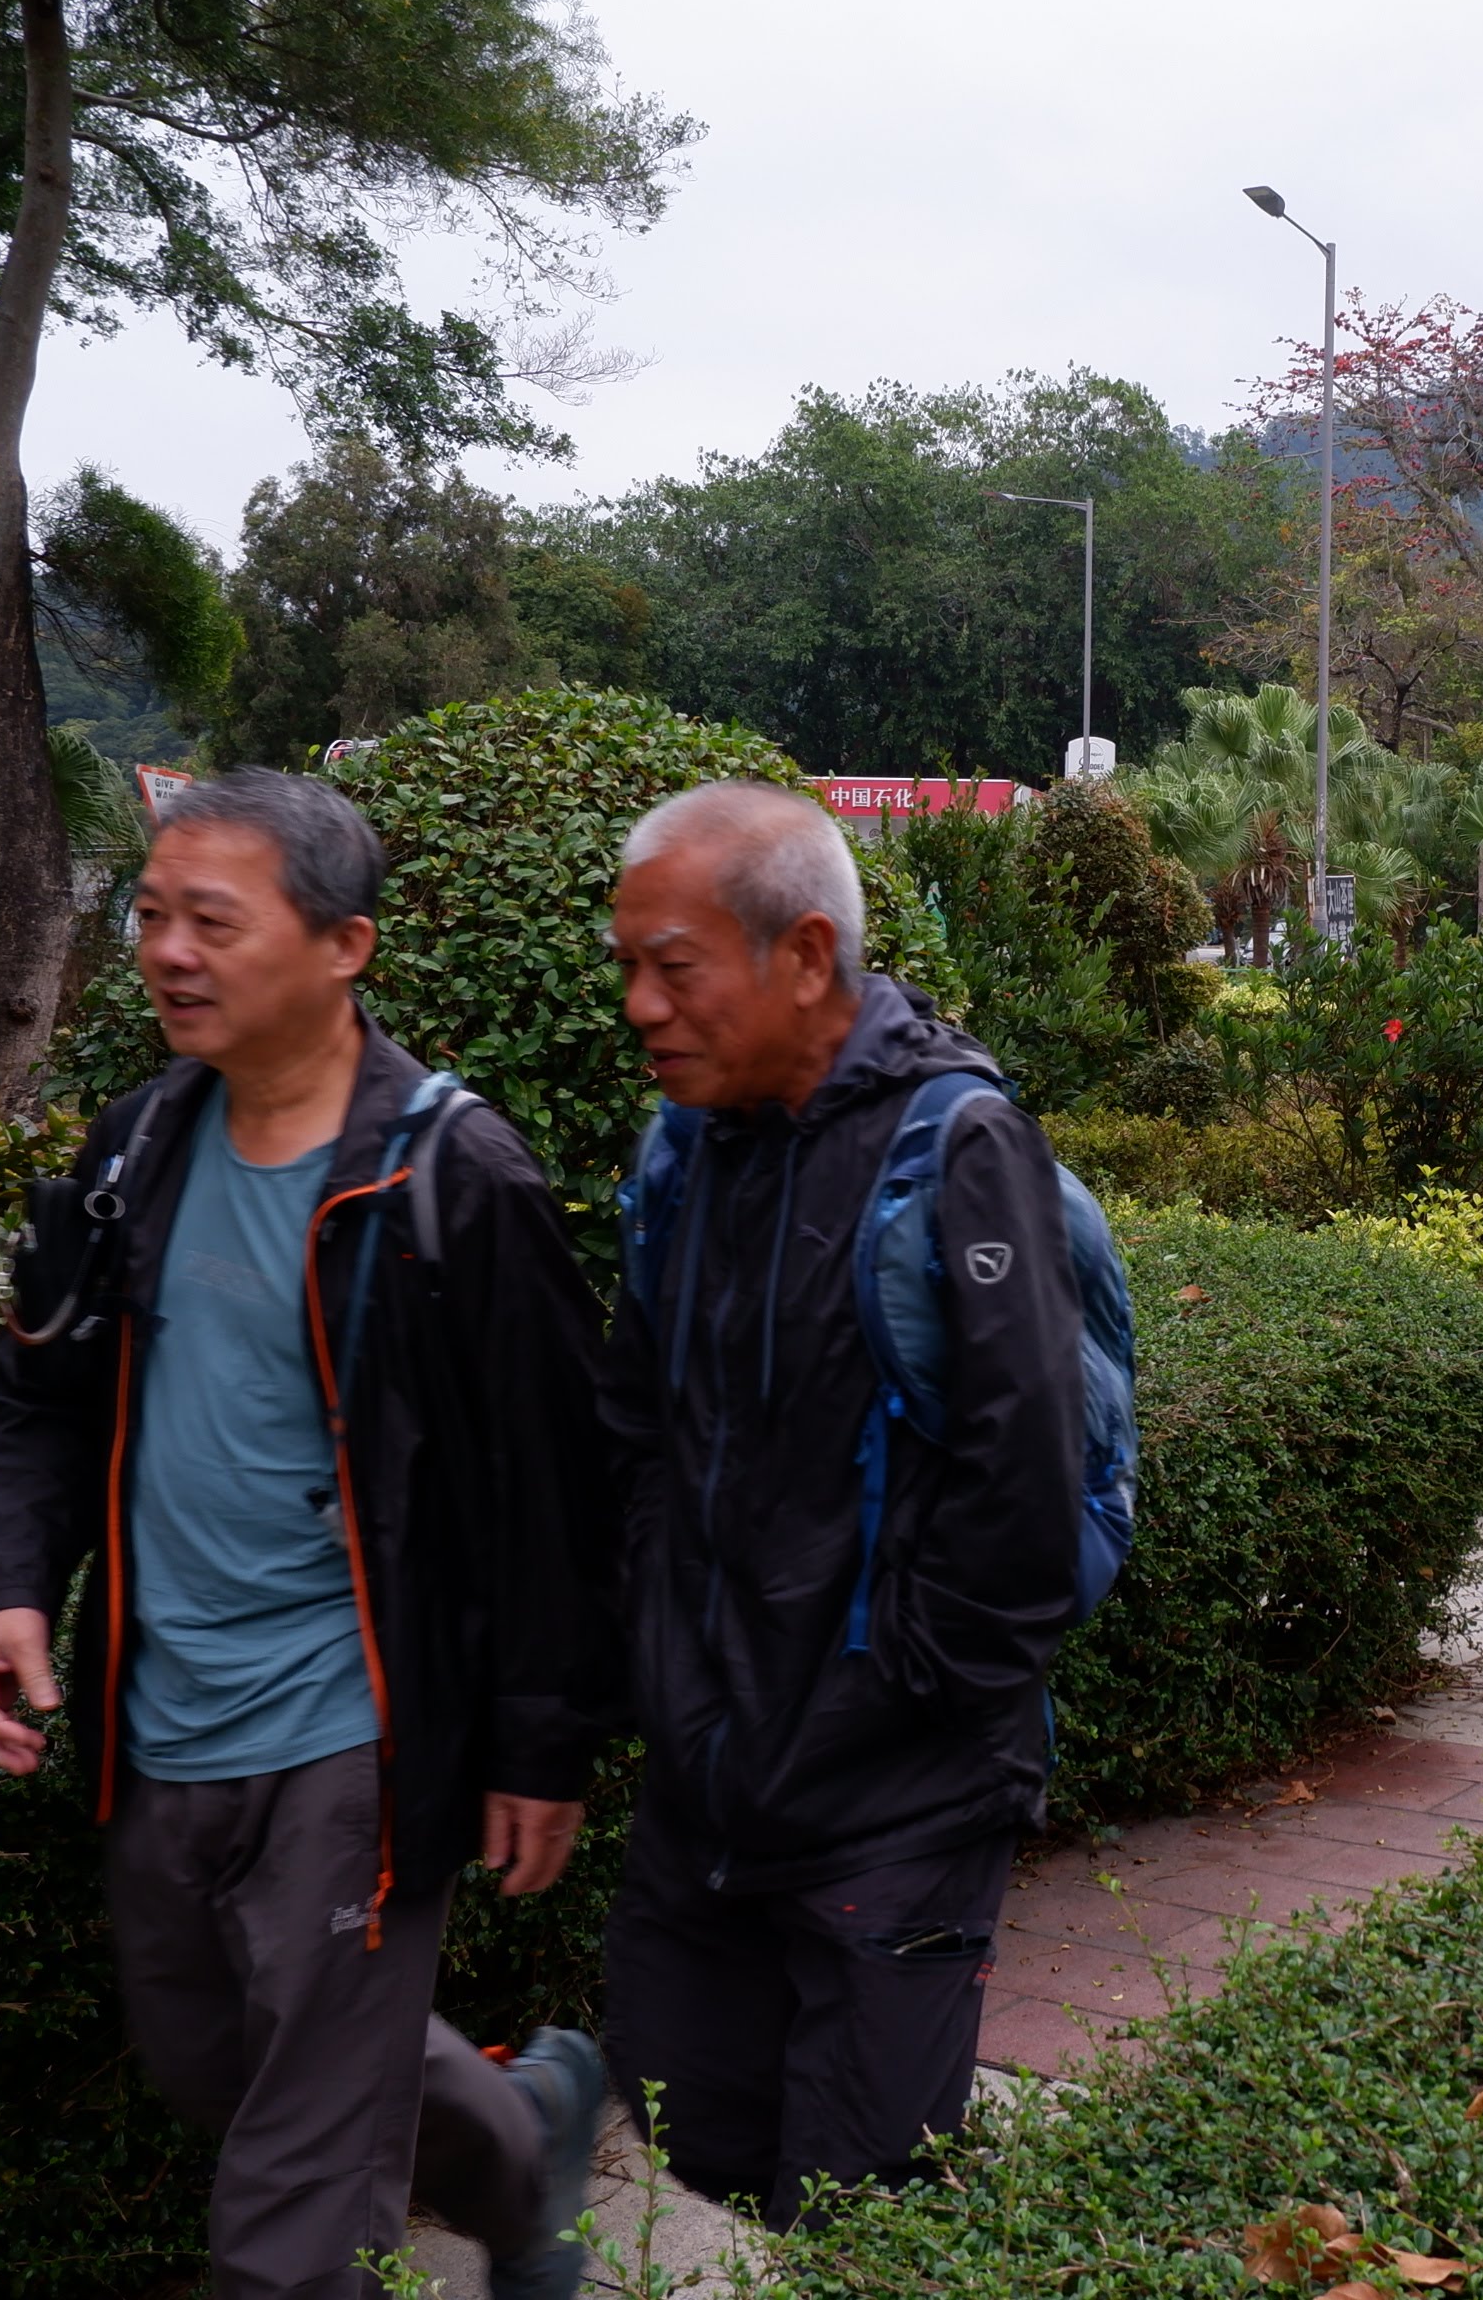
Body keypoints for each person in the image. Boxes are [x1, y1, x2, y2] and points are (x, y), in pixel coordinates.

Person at [0, 770, 624, 2300]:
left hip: (354, 1741)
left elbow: (555, 1489)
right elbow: (36, 1394)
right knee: (215, 2069)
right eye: (151, 916)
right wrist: (9, 1588)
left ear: (344, 947)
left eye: (213, 921)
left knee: (292, 2218)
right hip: (162, 1720)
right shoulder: (133, 1151)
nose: (167, 953)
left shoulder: (452, 1180)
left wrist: (542, 1744)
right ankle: (524, 2130)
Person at [596, 781, 1090, 2229]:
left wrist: (900, 1692)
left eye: (672, 967)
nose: (639, 1006)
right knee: (692, 2121)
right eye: (628, 966)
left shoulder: (958, 1149)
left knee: (861, 2206)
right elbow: (635, 1432)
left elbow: (1027, 1487)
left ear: (806, 955)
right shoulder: (684, 1151)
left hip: (898, 1793)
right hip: (713, 1773)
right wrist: (660, 1658)